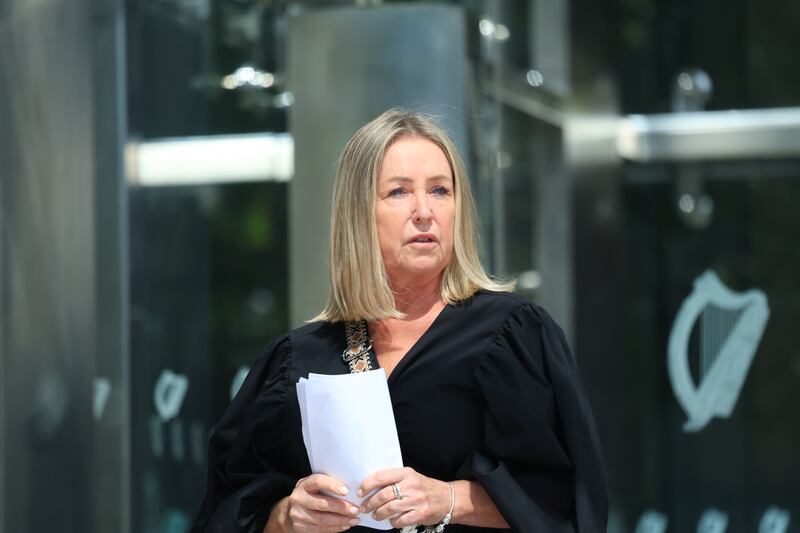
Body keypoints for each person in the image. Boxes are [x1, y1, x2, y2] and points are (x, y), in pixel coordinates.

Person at [191, 109, 608, 533]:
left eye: (440, 190)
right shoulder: (298, 360)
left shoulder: (511, 335)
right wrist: (285, 516)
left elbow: (565, 502)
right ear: (358, 213)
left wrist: (448, 499)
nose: (424, 211)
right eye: (398, 192)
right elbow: (226, 510)